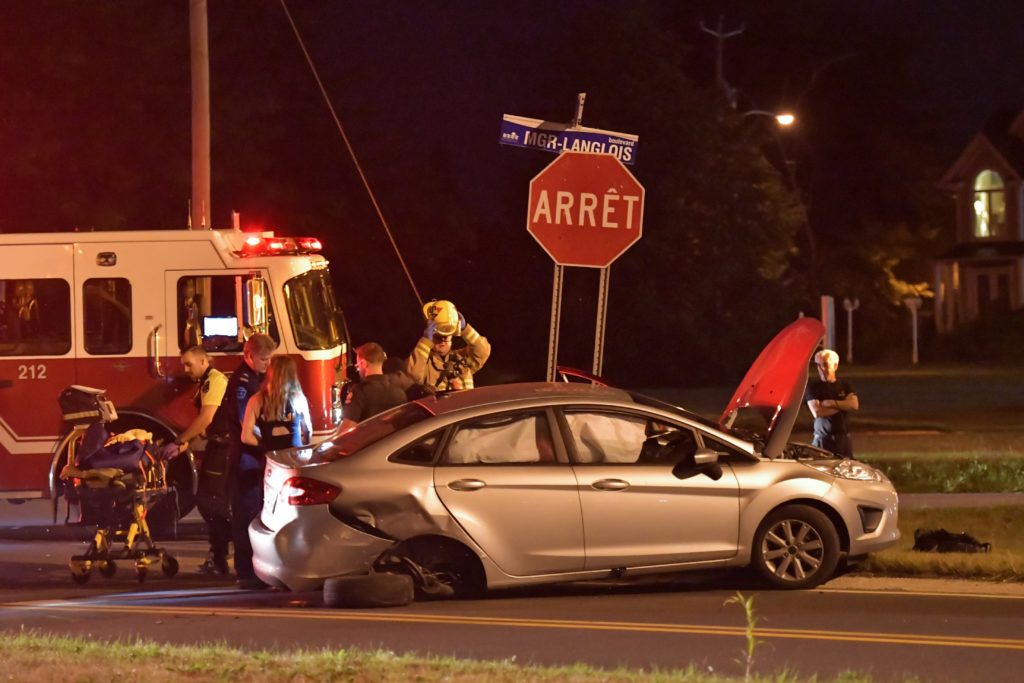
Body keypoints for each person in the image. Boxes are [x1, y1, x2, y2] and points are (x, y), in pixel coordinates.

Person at [222, 333, 276, 589]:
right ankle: (246, 572)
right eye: (263, 359)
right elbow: (248, 425)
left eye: (269, 359)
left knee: (256, 514)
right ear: (248, 355)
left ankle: (255, 570)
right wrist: (269, 444)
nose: (267, 363)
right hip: (245, 459)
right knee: (247, 516)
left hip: (254, 458)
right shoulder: (243, 383)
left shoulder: (256, 377)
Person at [176, 346, 232, 575]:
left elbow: (207, 417)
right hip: (218, 445)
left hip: (224, 448)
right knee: (214, 500)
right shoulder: (207, 381)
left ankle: (225, 547)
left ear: (202, 361)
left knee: (208, 500)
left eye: (189, 364)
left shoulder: (214, 381)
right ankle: (220, 554)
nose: (186, 369)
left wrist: (182, 438)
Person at [407, 302, 490, 391]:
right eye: (438, 337)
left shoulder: (461, 358)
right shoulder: (426, 366)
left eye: (446, 337)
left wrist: (466, 330)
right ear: (431, 337)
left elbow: (483, 351)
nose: (443, 340)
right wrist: (425, 342)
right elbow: (412, 376)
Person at [241, 355, 313, 451]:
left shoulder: (255, 400)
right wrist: (302, 444)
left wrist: (265, 445)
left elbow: (246, 437)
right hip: (295, 458)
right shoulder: (298, 398)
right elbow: (308, 431)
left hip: (272, 460)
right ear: (292, 374)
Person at [339, 343, 408, 432]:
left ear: (364, 363)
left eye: (358, 366)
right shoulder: (400, 392)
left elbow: (345, 431)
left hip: (368, 444)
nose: (358, 370)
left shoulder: (359, 392)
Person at [805, 348, 859, 457]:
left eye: (825, 364)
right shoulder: (813, 387)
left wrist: (831, 403)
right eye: (818, 365)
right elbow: (817, 412)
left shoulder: (845, 385)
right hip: (823, 441)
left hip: (843, 440)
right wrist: (844, 405)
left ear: (835, 366)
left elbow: (854, 405)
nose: (821, 368)